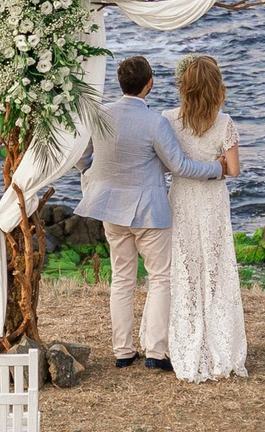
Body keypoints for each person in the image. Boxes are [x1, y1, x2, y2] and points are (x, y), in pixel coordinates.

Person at [75, 54, 224, 372]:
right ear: (150, 84)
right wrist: (216, 168)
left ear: (121, 83)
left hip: (110, 210)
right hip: (148, 213)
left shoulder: (100, 114)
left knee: (122, 278)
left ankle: (123, 351)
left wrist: (90, 178)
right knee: (160, 278)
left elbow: (79, 157)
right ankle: (155, 353)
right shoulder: (155, 122)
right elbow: (179, 166)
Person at [163, 54, 247, 382]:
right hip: (212, 200)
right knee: (215, 266)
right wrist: (219, 164)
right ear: (217, 88)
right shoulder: (224, 123)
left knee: (185, 267)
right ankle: (219, 339)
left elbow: (165, 162)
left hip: (181, 198)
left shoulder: (169, 120)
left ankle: (184, 335)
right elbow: (235, 170)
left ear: (184, 87)